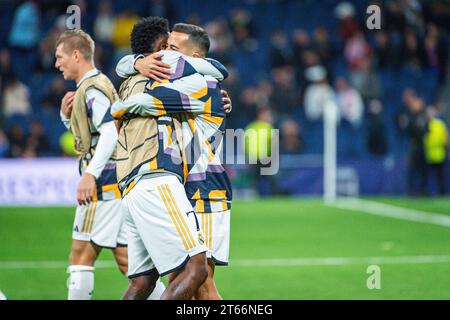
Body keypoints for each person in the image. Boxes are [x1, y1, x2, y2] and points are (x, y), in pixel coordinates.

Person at [113, 22, 232, 300]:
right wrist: (138, 61)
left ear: (195, 59)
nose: (165, 54)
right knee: (175, 276)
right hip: (175, 183)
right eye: (164, 47)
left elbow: (149, 101)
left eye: (173, 49)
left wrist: (120, 106)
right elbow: (124, 67)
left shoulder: (202, 84)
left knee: (201, 282)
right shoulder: (169, 78)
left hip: (203, 186)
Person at [55, 29, 128, 300]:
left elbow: (109, 132)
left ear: (76, 55)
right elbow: (96, 133)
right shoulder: (98, 84)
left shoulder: (92, 89)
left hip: (104, 182)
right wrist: (66, 118)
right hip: (116, 179)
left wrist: (89, 175)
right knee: (128, 261)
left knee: (80, 256)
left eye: (60, 56)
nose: (57, 63)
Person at [424, 107, 448, 195]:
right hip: (430, 154)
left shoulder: (439, 124)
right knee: (430, 176)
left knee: (439, 176)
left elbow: (445, 138)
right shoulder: (427, 124)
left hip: (438, 154)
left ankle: (441, 193)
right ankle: (430, 192)